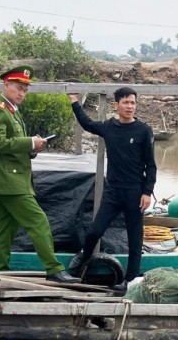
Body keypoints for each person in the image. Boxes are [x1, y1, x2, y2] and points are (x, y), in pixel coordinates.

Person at [0, 65, 80, 284]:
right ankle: (53, 269)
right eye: (18, 88)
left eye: (25, 90)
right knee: (39, 222)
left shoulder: (12, 112)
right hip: (9, 180)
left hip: (12, 178)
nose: (22, 93)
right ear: (5, 85)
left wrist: (33, 147)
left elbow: (11, 147)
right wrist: (29, 142)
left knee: (5, 228)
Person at [67, 87, 157, 290]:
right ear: (116, 105)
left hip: (135, 192)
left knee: (135, 239)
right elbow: (87, 124)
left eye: (133, 102)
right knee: (95, 230)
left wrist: (147, 192)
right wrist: (74, 101)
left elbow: (150, 165)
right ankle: (84, 254)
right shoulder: (109, 127)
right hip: (113, 191)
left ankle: (130, 279)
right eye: (125, 102)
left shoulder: (144, 130)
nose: (130, 106)